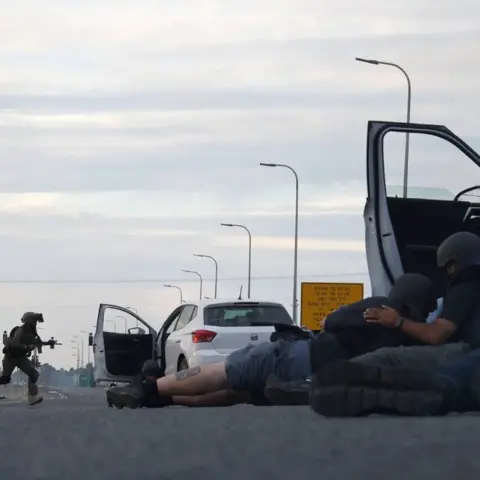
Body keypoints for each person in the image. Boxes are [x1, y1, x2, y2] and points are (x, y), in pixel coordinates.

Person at [105, 272, 437, 409]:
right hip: (324, 380)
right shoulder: (412, 339)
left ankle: (152, 389)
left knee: (227, 371)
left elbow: (334, 322)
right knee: (236, 394)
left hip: (300, 356)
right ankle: (171, 400)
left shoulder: (376, 308)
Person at [308, 231, 480, 417]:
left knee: (387, 357)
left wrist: (397, 321)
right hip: (468, 357)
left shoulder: (468, 280)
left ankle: (322, 386)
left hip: (465, 351)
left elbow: (436, 334)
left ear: (455, 264)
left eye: (449, 267)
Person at [0, 312, 45, 406]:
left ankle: (32, 397)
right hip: (10, 358)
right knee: (5, 379)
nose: (35, 323)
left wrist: (38, 345)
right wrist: (26, 347)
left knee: (33, 374)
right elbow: (14, 344)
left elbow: (34, 343)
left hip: (21, 358)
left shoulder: (32, 332)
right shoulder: (21, 331)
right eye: (33, 321)